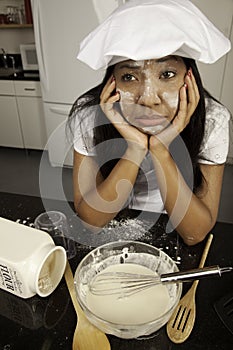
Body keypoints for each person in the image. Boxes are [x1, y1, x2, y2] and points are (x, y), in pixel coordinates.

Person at [68, 0, 231, 245]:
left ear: (190, 78)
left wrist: (160, 149)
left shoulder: (213, 121)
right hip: (114, 223)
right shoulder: (89, 116)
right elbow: (91, 221)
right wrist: (135, 148)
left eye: (166, 74)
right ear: (112, 82)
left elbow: (194, 234)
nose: (147, 98)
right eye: (129, 76)